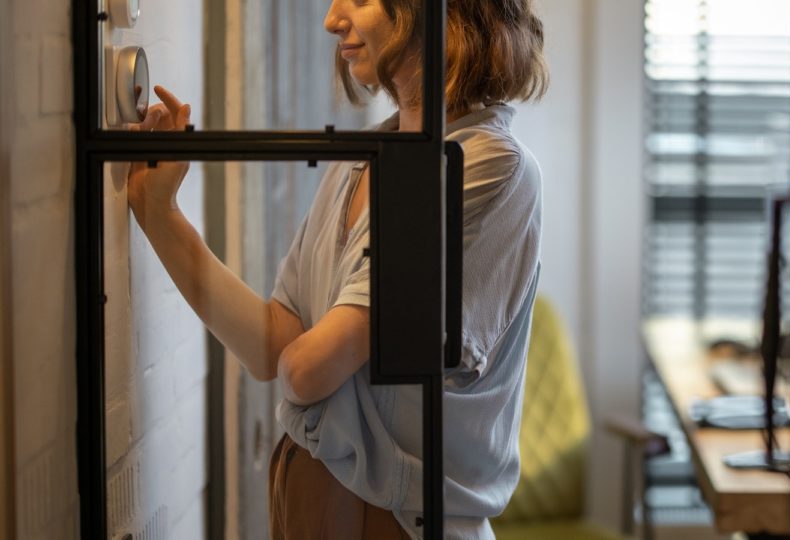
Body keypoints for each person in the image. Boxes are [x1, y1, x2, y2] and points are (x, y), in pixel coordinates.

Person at [127, 0, 547, 538]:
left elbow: (306, 370)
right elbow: (273, 345)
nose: (331, 18)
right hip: (315, 500)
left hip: (395, 521)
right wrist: (160, 214)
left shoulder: (488, 165)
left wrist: (303, 359)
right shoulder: (365, 156)